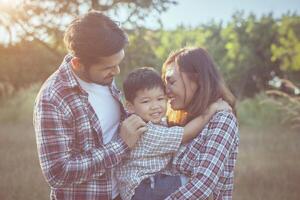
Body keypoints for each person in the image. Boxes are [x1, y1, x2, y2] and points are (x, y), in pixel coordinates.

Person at [33, 11, 148, 200]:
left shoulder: (103, 78)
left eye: (118, 63)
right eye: (109, 67)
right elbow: (58, 172)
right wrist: (121, 146)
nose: (116, 71)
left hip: (121, 193)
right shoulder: (52, 98)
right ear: (78, 64)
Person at [115, 67, 230, 200]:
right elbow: (185, 133)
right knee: (197, 185)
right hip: (144, 189)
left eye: (160, 99)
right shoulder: (144, 131)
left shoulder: (152, 123)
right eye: (146, 101)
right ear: (130, 106)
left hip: (146, 188)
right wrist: (211, 110)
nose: (155, 106)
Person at [161, 47, 239, 199]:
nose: (166, 91)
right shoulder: (179, 121)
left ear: (197, 80)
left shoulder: (222, 120)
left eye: (171, 82)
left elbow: (202, 186)